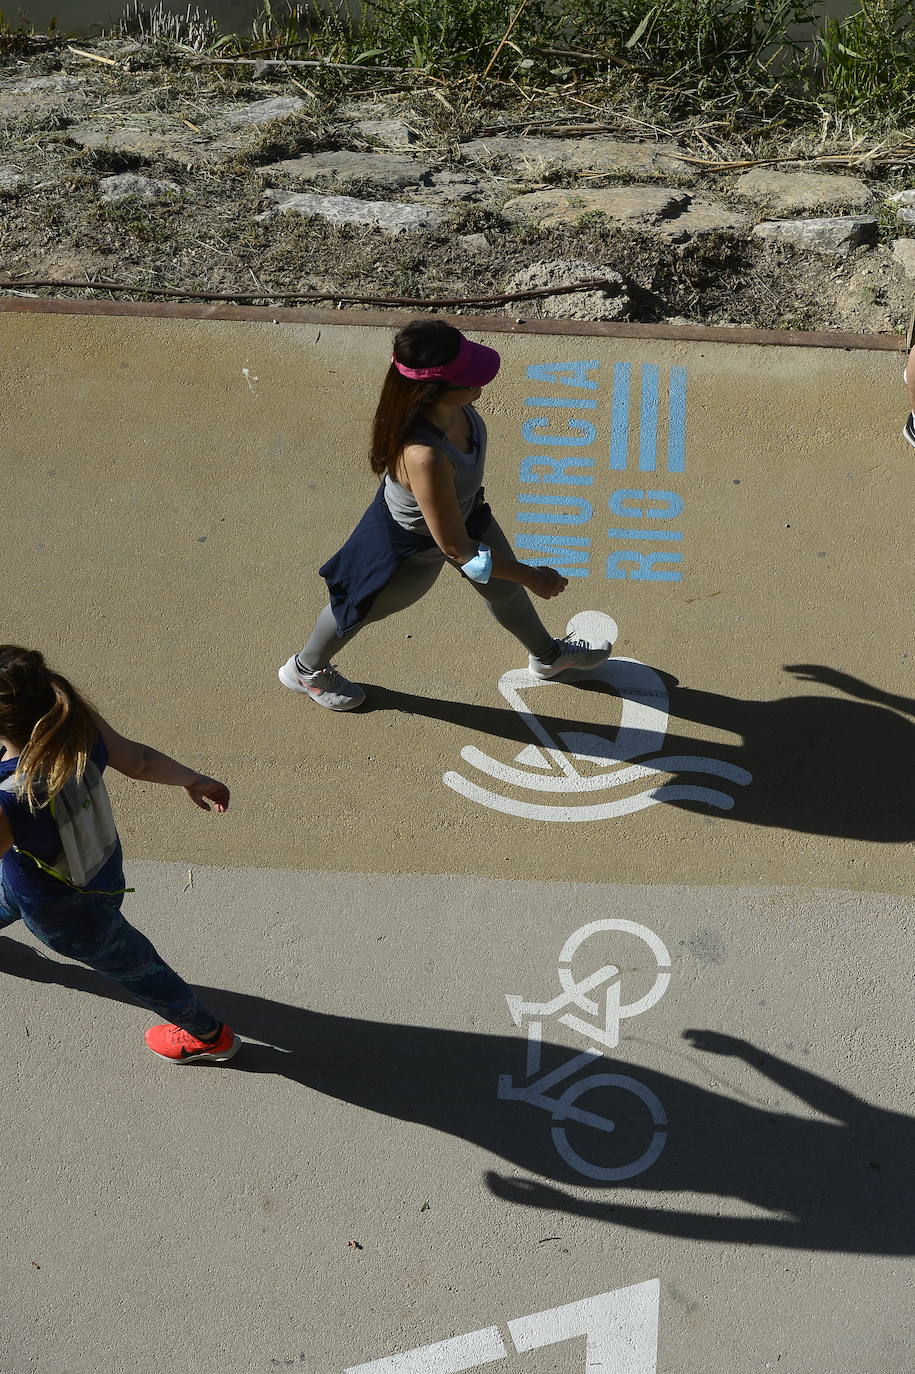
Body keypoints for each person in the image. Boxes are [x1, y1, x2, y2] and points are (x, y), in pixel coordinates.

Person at [278, 319, 613, 710]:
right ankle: (305, 669)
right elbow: (458, 550)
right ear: (436, 390)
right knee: (357, 609)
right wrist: (533, 575)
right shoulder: (424, 455)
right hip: (409, 548)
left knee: (507, 592)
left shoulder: (458, 410)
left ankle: (549, 657)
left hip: (467, 516)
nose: (480, 385)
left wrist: (518, 575)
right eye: (469, 380)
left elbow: (463, 543)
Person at [0, 645, 239, 1065]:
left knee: (138, 967)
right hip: (94, 866)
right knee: (8, 893)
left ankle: (208, 1036)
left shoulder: (9, 796)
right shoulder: (75, 723)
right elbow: (140, 761)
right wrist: (194, 779)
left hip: (68, 907)